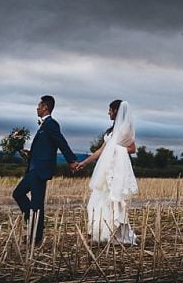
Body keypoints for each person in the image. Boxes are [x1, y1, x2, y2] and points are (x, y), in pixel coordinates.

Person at [12, 95, 78, 245]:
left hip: (40, 170)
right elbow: (44, 148)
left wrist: (71, 161)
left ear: (45, 107)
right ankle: (34, 225)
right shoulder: (43, 126)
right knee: (19, 194)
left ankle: (35, 236)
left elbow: (61, 142)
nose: (37, 108)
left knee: (36, 203)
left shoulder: (51, 124)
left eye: (39, 105)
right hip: (34, 169)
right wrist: (29, 153)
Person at [75, 99, 138, 244]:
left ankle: (112, 234)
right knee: (97, 200)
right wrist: (84, 163)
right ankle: (98, 233)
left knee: (112, 201)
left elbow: (132, 148)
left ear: (116, 111)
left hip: (115, 170)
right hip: (104, 169)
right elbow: (100, 151)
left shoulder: (126, 128)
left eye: (110, 110)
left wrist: (116, 149)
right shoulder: (111, 131)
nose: (108, 113)